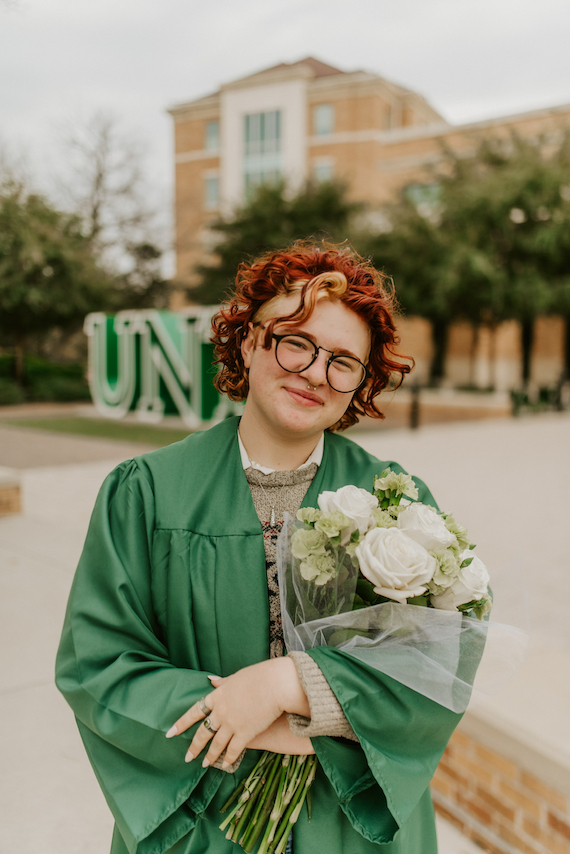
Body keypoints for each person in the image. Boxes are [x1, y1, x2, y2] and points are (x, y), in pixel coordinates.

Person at [56, 243, 464, 854]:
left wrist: (290, 688)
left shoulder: (398, 503)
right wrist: (231, 709)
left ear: (360, 383)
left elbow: (438, 666)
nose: (314, 373)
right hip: (205, 818)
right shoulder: (145, 492)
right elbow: (97, 665)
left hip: (348, 826)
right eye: (295, 341)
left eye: (343, 361)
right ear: (248, 341)